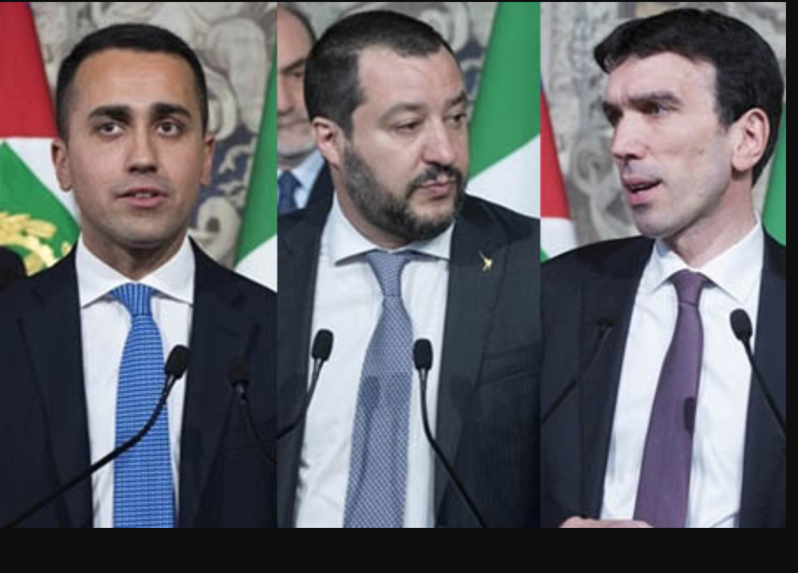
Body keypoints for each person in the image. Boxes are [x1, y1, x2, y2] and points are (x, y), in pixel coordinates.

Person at [0, 24, 276, 528]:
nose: (144, 157)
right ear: (62, 163)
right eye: (110, 127)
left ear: (206, 158)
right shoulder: (7, 328)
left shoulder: (282, 331)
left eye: (168, 127)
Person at [278, 10, 540, 528]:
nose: (444, 151)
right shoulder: (271, 270)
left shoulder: (530, 263)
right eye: (408, 126)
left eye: (456, 118)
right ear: (330, 140)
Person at [540, 8, 785, 529]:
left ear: (747, 139)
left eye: (655, 109)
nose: (621, 145)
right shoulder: (554, 296)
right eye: (615, 116)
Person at [276, 4, 333, 215]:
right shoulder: (214, 186)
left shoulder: (371, 180)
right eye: (264, 83)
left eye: (297, 75)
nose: (283, 104)